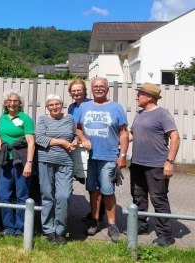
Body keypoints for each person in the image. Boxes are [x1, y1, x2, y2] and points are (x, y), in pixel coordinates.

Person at [75, 77, 129, 243]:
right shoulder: (84, 106)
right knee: (93, 189)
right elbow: (78, 128)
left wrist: (122, 156)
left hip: (108, 156)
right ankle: (95, 220)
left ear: (107, 89)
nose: (98, 89)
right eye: (95, 87)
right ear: (91, 89)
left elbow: (124, 133)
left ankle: (112, 225)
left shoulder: (116, 107)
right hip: (89, 157)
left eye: (101, 86)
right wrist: (83, 138)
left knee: (107, 190)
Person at [129, 82, 180, 247]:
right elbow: (131, 135)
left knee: (158, 199)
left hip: (156, 165)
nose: (137, 97)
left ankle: (166, 235)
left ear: (150, 97)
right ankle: (141, 226)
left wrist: (169, 162)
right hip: (137, 163)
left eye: (140, 94)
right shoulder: (140, 113)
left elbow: (175, 138)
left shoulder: (162, 114)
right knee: (138, 197)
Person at [36, 94, 77, 244]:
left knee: (63, 196)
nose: (54, 107)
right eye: (51, 105)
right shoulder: (43, 119)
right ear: (47, 107)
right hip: (46, 161)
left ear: (62, 105)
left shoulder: (69, 119)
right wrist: (62, 143)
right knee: (47, 195)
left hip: (65, 161)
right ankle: (48, 230)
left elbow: (75, 135)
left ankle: (60, 230)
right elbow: (39, 138)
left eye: (57, 104)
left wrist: (75, 141)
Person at [0, 89, 35, 236]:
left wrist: (29, 163)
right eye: (9, 101)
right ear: (5, 104)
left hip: (22, 161)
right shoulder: (3, 118)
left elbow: (31, 143)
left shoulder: (25, 118)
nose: (12, 103)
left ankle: (20, 229)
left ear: (20, 103)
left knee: (22, 195)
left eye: (15, 101)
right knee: (2, 194)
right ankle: (8, 228)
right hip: (6, 162)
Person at [67, 79, 105, 222]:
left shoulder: (91, 104)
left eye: (79, 90)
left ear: (84, 91)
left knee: (98, 183)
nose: (76, 93)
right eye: (73, 90)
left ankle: (98, 215)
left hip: (92, 145)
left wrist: (82, 138)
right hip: (79, 147)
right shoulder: (71, 108)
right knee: (89, 183)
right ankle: (94, 213)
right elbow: (72, 126)